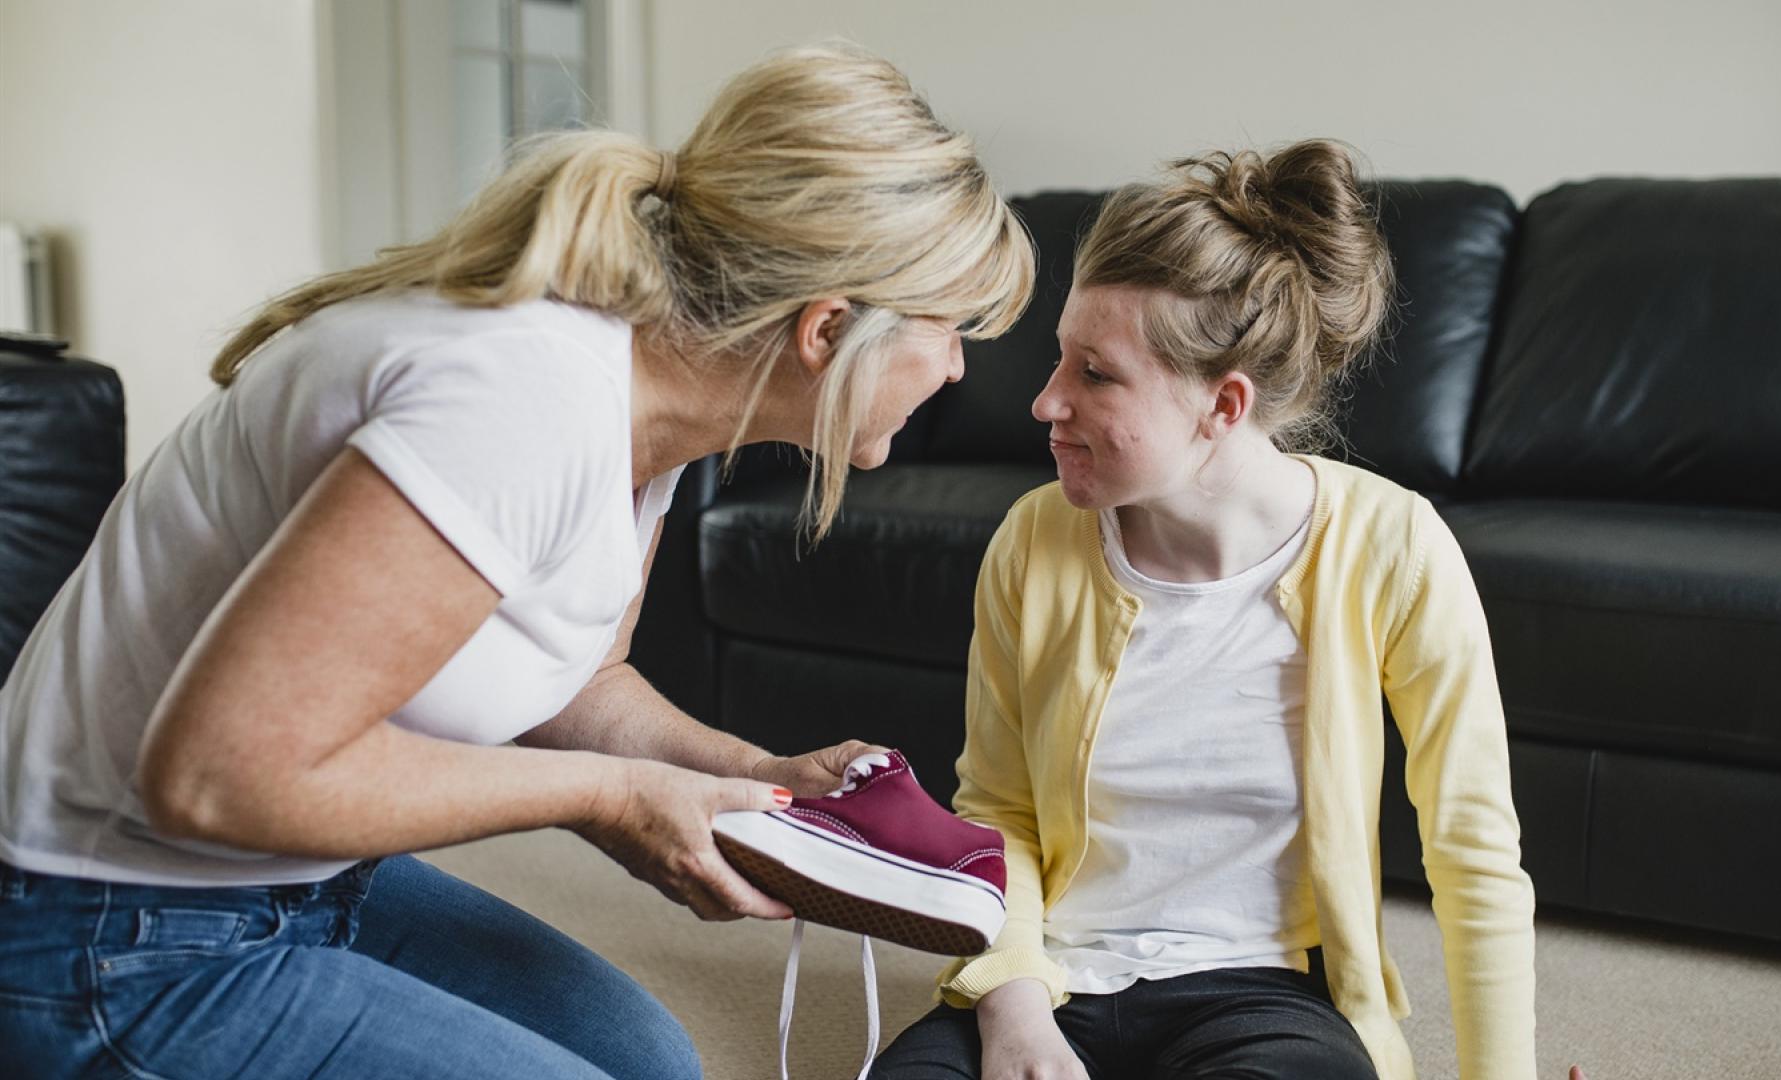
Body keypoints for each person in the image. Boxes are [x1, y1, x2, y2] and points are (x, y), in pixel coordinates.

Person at [0, 43, 1031, 1080]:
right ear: (826, 330)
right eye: (954, 329)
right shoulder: (521, 399)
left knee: (650, 1062)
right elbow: (218, 778)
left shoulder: (648, 407)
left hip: (305, 882)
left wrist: (742, 773)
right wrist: (607, 798)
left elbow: (572, 678)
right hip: (104, 926)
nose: (956, 369)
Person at [871, 141, 1538, 1080]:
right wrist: (1012, 1010)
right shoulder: (1033, 542)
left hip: (1265, 993)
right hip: (1052, 976)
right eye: (1059, 358)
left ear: (1223, 405)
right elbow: (998, 814)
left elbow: (1473, 851)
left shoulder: (1394, 547)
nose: (1045, 400)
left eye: (1095, 375)